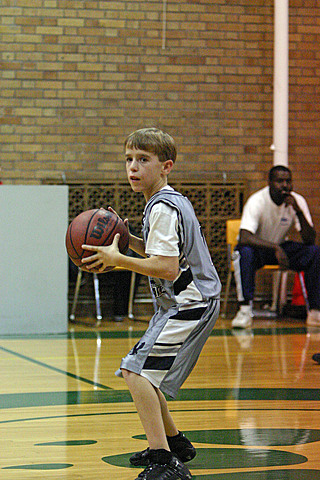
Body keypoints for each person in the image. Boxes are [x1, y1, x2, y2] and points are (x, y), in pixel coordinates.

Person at [81, 127, 221, 480]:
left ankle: (164, 461)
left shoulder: (161, 207)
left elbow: (167, 267)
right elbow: (162, 253)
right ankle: (173, 444)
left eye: (143, 160)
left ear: (166, 166)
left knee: (135, 372)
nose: (133, 167)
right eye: (129, 159)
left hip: (189, 303)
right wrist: (131, 242)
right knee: (144, 374)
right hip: (181, 303)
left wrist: (117, 259)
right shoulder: (168, 200)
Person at [231, 165, 320, 329]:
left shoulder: (297, 201)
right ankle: (244, 310)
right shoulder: (257, 200)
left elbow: (310, 240)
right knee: (243, 252)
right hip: (257, 248)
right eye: (280, 181)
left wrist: (298, 211)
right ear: (270, 183)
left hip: (278, 248)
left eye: (288, 181)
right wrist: (275, 248)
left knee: (314, 253)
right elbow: (244, 236)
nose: (285, 185)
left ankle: (315, 312)